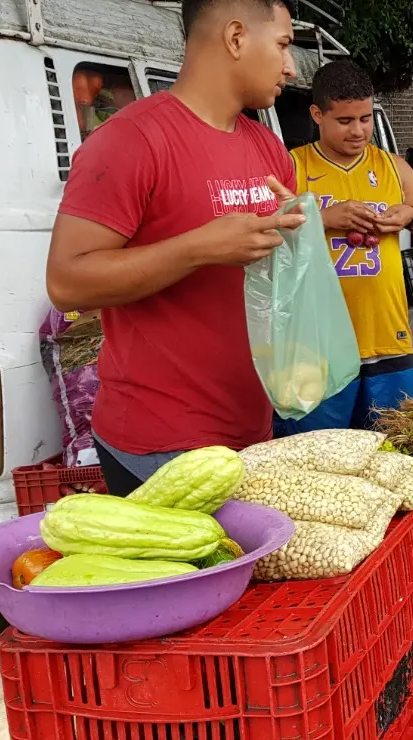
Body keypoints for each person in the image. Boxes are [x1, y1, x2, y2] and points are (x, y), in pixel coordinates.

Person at [45, 0, 305, 494]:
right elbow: (66, 283)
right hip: (157, 444)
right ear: (234, 38)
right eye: (283, 45)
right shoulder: (130, 140)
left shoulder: (268, 148)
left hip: (253, 429)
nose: (290, 67)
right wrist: (198, 248)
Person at [281, 60, 413, 434]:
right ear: (317, 114)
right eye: (345, 121)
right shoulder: (291, 167)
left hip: (387, 342)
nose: (358, 131)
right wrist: (324, 218)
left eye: (365, 118)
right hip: (316, 350)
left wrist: (412, 216)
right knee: (317, 463)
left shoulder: (392, 167)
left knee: (390, 455)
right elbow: (263, 237)